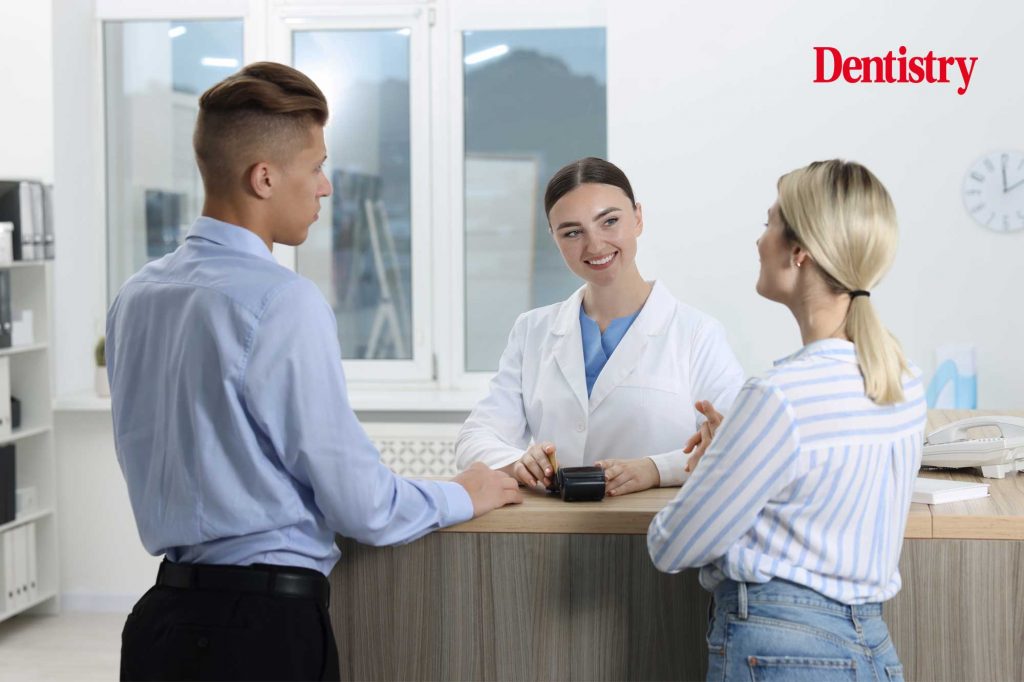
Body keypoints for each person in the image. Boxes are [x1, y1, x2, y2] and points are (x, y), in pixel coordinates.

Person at [107, 62, 521, 682]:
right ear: (264, 177)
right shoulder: (281, 300)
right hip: (261, 633)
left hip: (159, 625)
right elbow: (361, 504)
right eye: (317, 166)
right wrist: (467, 492)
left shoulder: (137, 295)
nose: (325, 187)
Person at [648, 159, 925, 681]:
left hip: (781, 650)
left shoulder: (778, 397)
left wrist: (715, 466)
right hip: (872, 649)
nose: (759, 241)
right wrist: (742, 451)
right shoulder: (903, 381)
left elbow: (672, 544)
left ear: (799, 252)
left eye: (769, 223)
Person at [456, 157, 745, 496]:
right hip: (554, 523)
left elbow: (736, 442)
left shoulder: (697, 334)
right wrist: (519, 462)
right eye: (572, 232)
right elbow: (474, 439)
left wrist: (655, 469)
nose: (594, 246)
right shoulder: (532, 331)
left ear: (638, 218)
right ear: (555, 238)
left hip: (652, 522)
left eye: (609, 221)